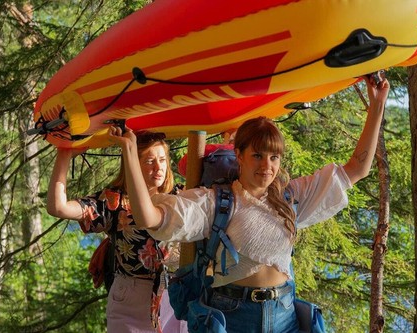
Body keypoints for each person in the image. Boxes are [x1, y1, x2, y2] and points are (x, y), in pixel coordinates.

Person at [110, 76, 390, 332]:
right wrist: (130, 151)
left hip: (285, 317)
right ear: (239, 155)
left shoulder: (290, 197)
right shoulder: (216, 203)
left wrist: (377, 106)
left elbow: (357, 169)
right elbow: (150, 218)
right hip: (232, 318)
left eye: (274, 157)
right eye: (257, 155)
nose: (267, 166)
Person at [46, 132, 188, 333]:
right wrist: (64, 155)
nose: (159, 167)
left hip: (174, 295)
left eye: (163, 159)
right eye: (150, 161)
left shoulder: (181, 196)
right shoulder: (115, 202)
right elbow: (57, 207)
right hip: (131, 296)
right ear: (132, 164)